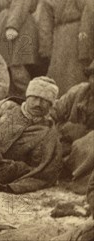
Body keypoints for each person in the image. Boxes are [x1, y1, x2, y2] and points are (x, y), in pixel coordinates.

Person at [39, 0, 94, 95]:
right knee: (57, 72)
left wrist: (84, 43)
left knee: (76, 73)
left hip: (77, 34)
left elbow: (89, 14)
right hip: (59, 37)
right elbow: (45, 21)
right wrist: (46, 46)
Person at [50, 61, 94, 193]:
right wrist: (61, 129)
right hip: (65, 144)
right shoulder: (79, 92)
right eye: (93, 77)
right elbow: (53, 111)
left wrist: (84, 133)